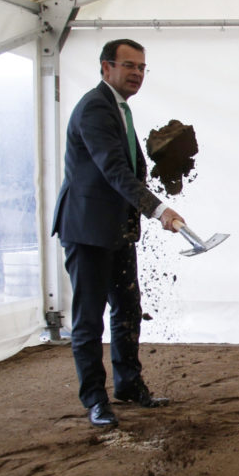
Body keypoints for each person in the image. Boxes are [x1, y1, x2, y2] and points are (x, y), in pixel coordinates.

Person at [52, 38, 185, 428]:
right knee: (89, 319)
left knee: (127, 309)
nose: (137, 74)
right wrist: (158, 209)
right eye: (129, 66)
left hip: (117, 230)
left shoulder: (119, 109)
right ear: (105, 67)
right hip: (87, 229)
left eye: (142, 67)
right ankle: (95, 399)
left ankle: (128, 385)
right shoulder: (95, 107)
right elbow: (113, 170)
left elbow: (129, 167)